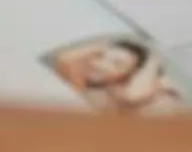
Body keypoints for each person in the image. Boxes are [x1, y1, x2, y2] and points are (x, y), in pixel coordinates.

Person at [46, 35, 181, 116]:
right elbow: (64, 59)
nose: (102, 65)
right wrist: (102, 47)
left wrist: (153, 58)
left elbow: (134, 95)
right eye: (101, 57)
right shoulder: (84, 83)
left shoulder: (119, 93)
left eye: (117, 64)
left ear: (126, 77)